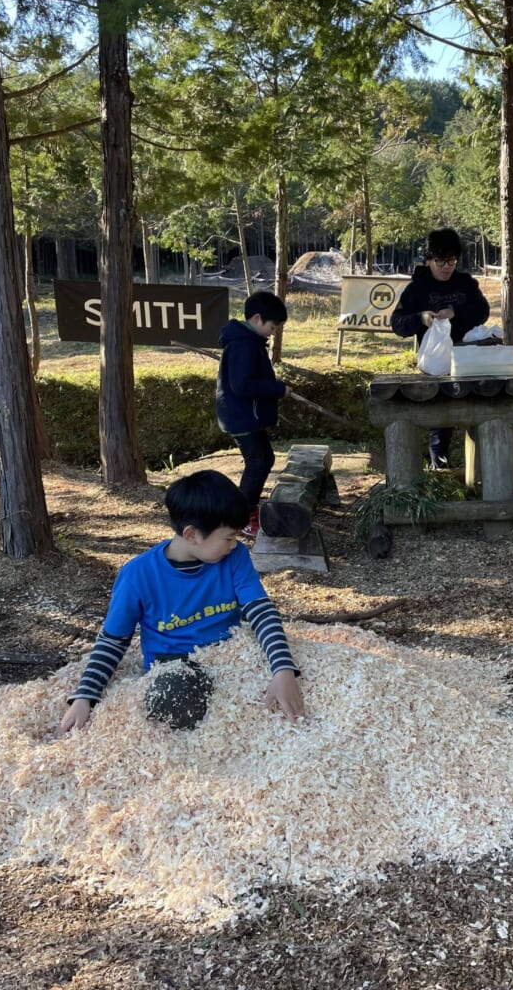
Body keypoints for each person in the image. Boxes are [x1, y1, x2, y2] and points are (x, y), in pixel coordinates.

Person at [56, 469, 303, 735]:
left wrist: (283, 669)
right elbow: (113, 640)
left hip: (234, 658)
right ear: (191, 535)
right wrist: (85, 697)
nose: (234, 545)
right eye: (228, 537)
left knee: (283, 692)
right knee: (173, 702)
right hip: (173, 666)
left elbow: (261, 611)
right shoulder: (138, 576)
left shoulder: (235, 557)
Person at [390, 227, 491, 468]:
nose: (446, 267)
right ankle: (439, 467)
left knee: (481, 413)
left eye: (452, 261)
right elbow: (397, 324)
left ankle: (478, 472)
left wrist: (455, 312)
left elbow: (483, 311)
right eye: (441, 261)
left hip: (468, 361)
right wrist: (421, 318)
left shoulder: (465, 284)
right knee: (440, 420)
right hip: (435, 365)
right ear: (428, 259)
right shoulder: (417, 288)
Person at [216, 290, 290, 537]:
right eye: (272, 325)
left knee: (264, 459)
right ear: (257, 319)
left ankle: (247, 510)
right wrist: (278, 389)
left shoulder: (249, 342)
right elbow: (242, 385)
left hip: (247, 415)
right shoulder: (242, 345)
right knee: (258, 462)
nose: (273, 331)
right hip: (241, 415)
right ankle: (243, 517)